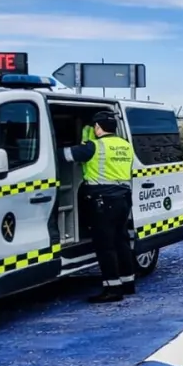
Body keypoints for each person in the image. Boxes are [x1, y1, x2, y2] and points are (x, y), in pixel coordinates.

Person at [62, 110, 136, 303]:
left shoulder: (94, 146)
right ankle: (128, 283)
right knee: (121, 241)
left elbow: (66, 155)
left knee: (105, 246)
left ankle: (112, 289)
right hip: (123, 198)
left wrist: (83, 138)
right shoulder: (125, 145)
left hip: (103, 200)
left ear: (97, 127)